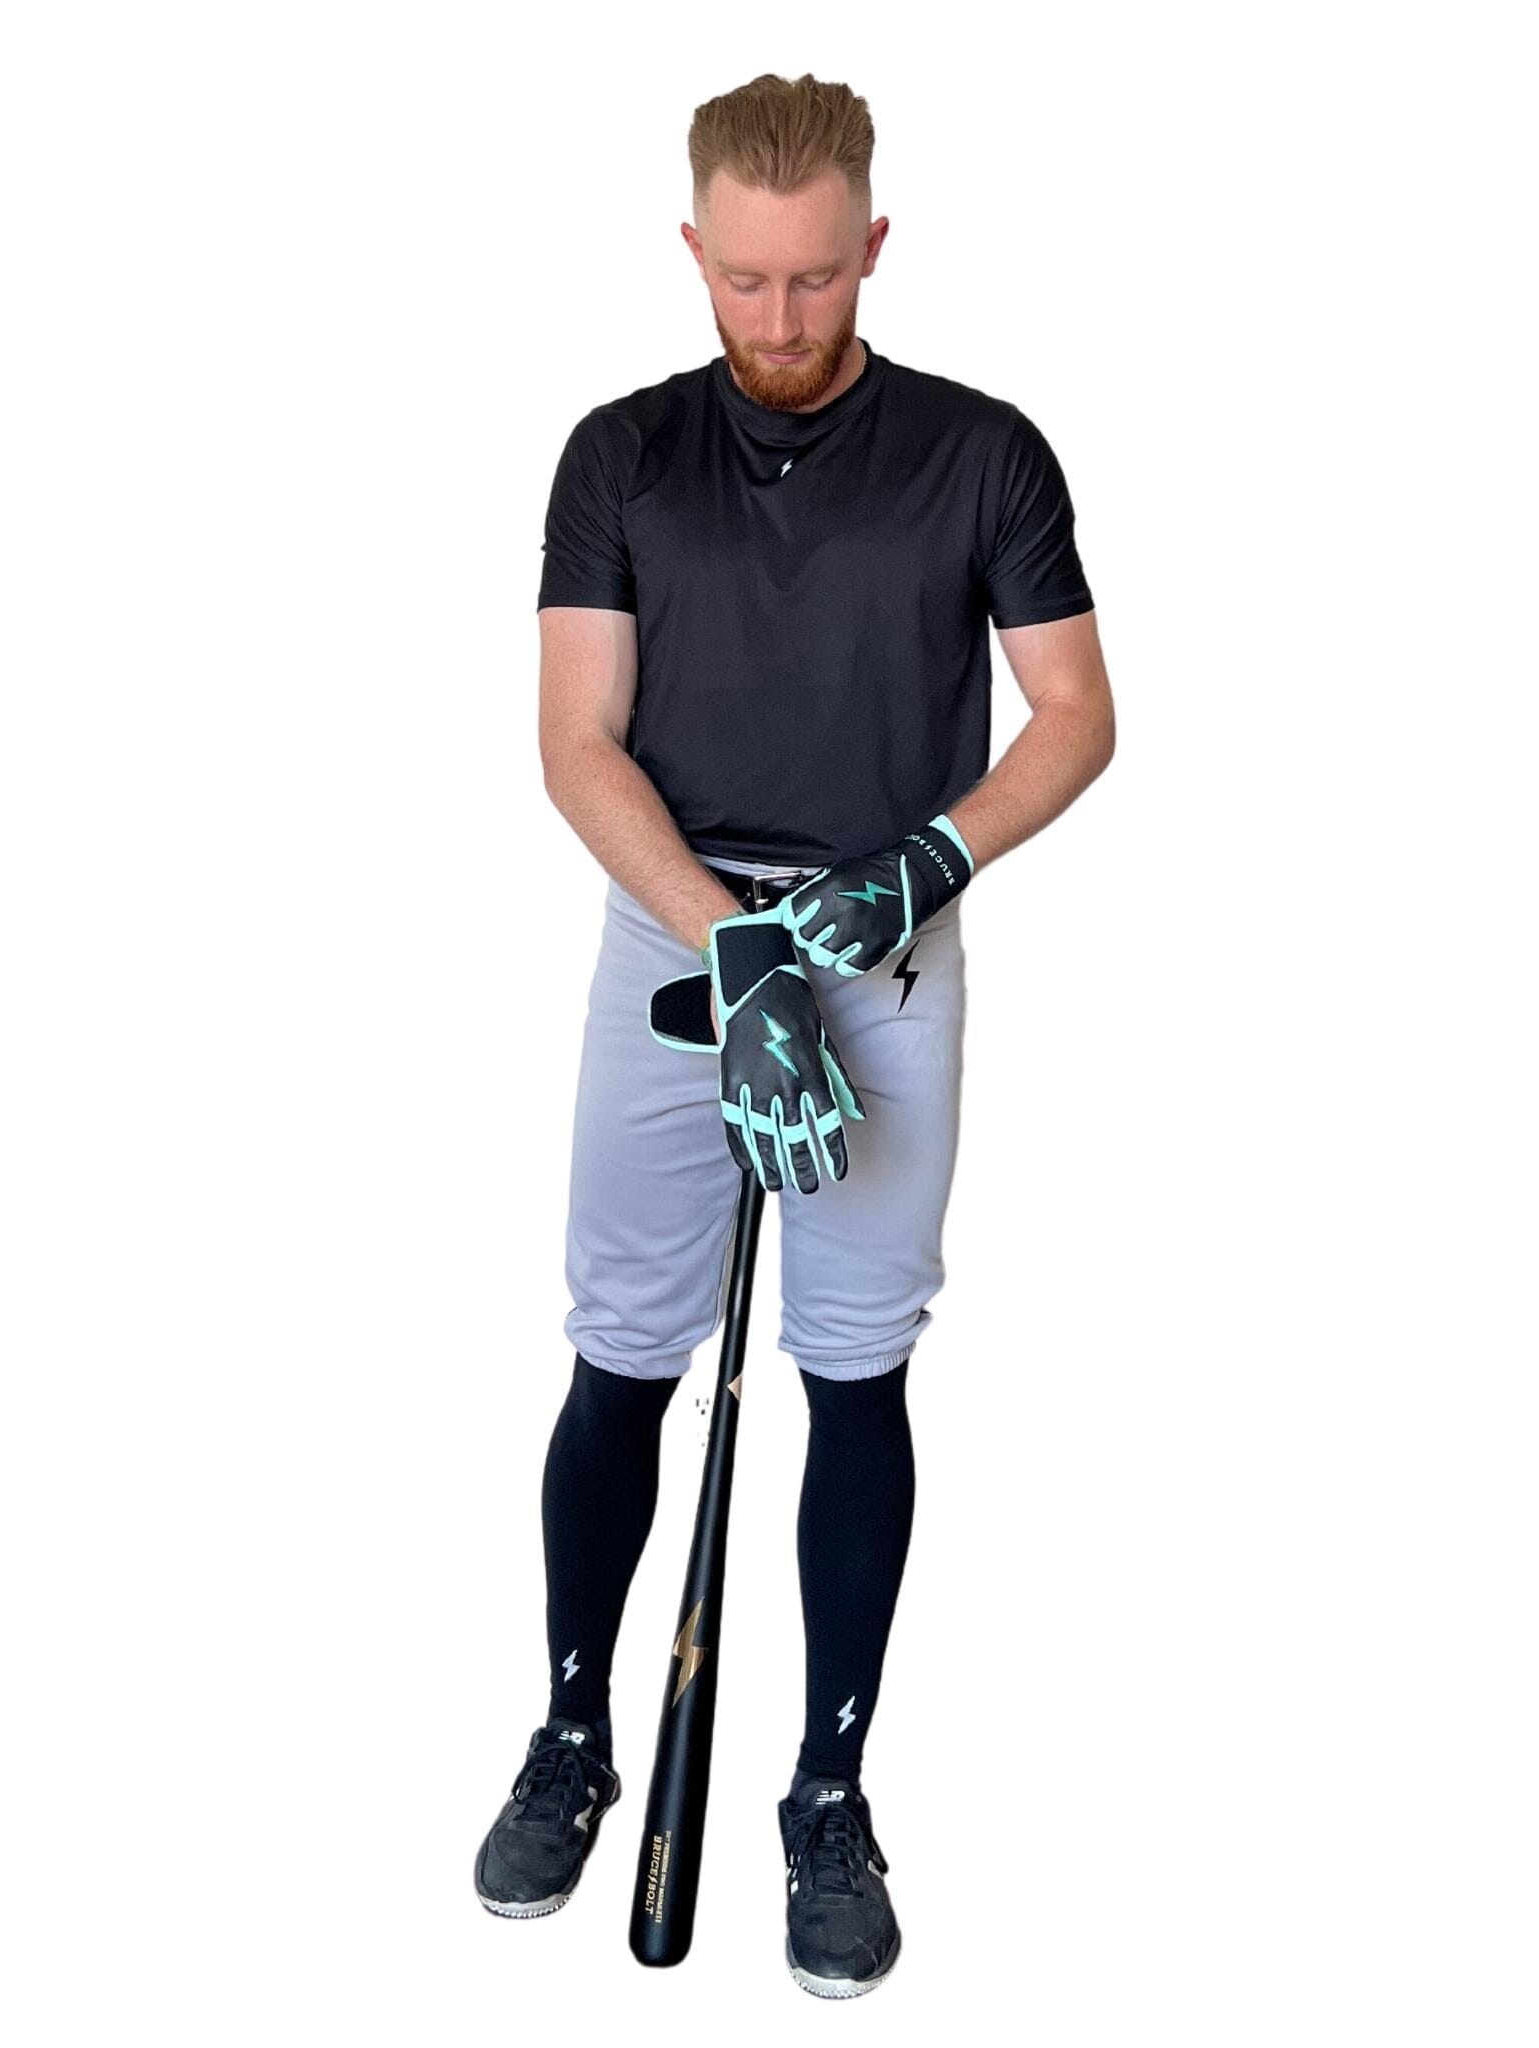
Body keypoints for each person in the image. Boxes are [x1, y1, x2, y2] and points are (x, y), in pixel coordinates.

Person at [474, 71, 1114, 1997]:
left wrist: (927, 861)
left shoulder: (985, 454)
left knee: (854, 1366)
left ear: (874, 246)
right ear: (693, 249)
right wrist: (731, 945)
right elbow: (575, 740)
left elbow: (1075, 715)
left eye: (817, 278)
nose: (779, 317)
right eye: (744, 280)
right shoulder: (619, 456)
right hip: (678, 934)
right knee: (622, 1349)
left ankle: (828, 1792)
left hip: (884, 939)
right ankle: (575, 1734)